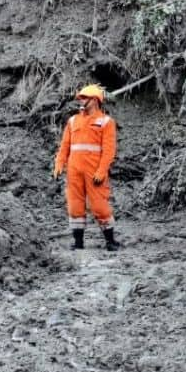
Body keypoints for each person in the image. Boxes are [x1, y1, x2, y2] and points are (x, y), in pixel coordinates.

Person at [53, 84, 120, 251]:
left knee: (99, 206)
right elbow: (65, 146)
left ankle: (110, 241)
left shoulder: (106, 122)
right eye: (80, 98)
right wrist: (59, 164)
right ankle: (78, 242)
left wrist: (101, 170)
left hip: (94, 172)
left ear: (95, 100)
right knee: (74, 205)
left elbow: (109, 150)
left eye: (84, 98)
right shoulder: (73, 120)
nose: (80, 101)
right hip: (74, 171)